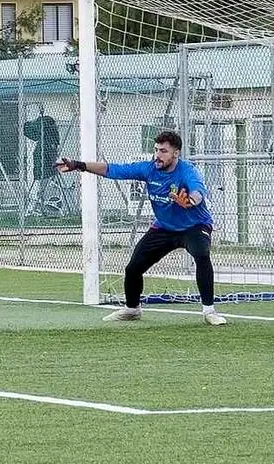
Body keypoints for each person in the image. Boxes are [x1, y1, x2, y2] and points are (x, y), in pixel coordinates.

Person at [56, 130, 226, 326]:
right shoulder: (148, 169)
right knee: (133, 268)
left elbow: (198, 191)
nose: (158, 155)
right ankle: (132, 309)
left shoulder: (187, 170)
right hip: (164, 228)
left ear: (176, 153)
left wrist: (189, 201)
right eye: (156, 150)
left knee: (201, 254)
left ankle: (209, 311)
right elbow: (113, 169)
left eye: (163, 151)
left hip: (194, 226)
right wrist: (78, 165)